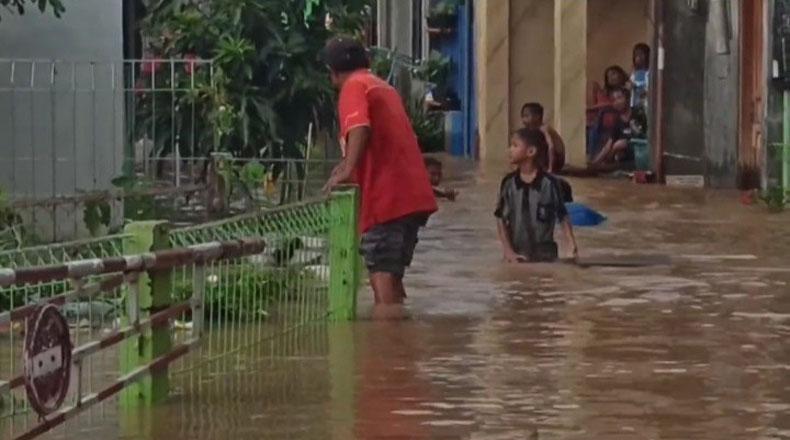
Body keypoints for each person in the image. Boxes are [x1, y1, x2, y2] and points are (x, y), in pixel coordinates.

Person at [321, 36, 438, 310]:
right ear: (368, 62)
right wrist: (346, 165)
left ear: (332, 73)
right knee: (392, 277)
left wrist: (348, 170)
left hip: (387, 201)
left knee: (382, 276)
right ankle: (399, 340)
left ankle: (386, 346)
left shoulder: (353, 87)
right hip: (411, 197)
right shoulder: (382, 87)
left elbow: (360, 127)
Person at [495, 128, 578, 264]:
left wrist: (571, 246)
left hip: (546, 255)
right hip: (517, 254)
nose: (509, 150)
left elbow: (563, 216)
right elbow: (500, 219)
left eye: (515, 145)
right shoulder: (508, 183)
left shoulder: (550, 183)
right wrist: (508, 251)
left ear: (531, 152)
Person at [590, 87, 645, 166]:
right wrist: (595, 163)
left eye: (619, 98)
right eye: (614, 100)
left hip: (639, 152)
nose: (617, 102)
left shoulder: (638, 114)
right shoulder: (617, 120)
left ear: (627, 98)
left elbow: (643, 137)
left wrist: (628, 142)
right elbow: (609, 144)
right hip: (622, 156)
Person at [521, 102, 566, 173]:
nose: (523, 119)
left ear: (537, 117)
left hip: (557, 160)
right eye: (523, 117)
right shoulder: (533, 129)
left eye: (526, 116)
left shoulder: (544, 128)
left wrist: (550, 168)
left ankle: (545, 167)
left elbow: (551, 146)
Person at [630, 43, 650, 110]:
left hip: (647, 105)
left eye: (641, 54)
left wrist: (635, 86)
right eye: (636, 55)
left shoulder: (651, 72)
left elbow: (642, 89)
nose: (638, 57)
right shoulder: (634, 73)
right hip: (636, 106)